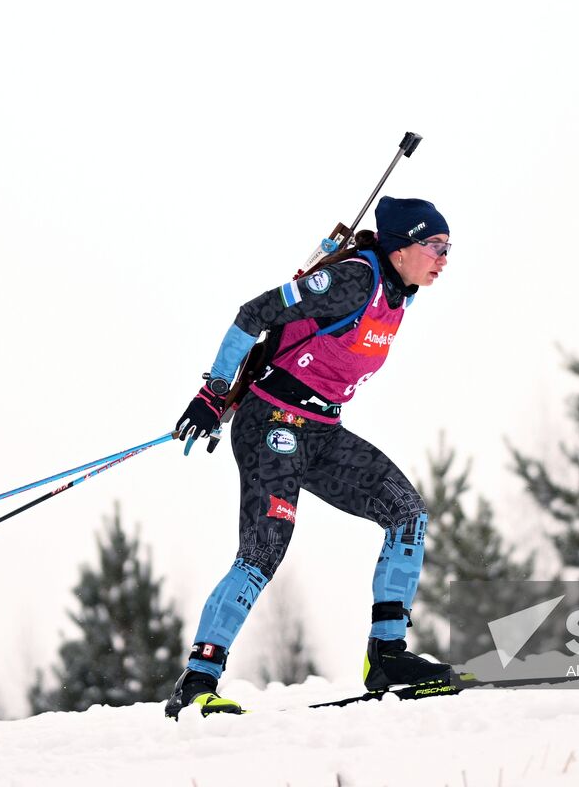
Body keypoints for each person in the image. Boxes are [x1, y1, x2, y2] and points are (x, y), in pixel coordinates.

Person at [164, 196, 454, 719]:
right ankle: (198, 681)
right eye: (433, 244)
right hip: (271, 424)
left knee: (407, 514)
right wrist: (213, 393)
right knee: (263, 550)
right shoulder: (352, 281)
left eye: (448, 247)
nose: (443, 257)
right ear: (401, 245)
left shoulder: (399, 293)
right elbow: (254, 314)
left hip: (320, 431)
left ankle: (387, 656)